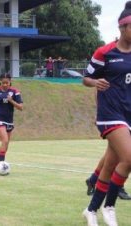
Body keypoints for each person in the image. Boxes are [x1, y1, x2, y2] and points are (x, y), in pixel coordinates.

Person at [82, 2, 131, 225]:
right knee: (129, 158)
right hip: (110, 114)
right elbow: (85, 78)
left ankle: (91, 210)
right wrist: (94, 82)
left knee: (111, 165)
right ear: (123, 28)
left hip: (128, 114)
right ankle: (109, 207)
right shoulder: (105, 52)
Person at [0, 73, 23, 163]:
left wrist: (11, 101)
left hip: (9, 121)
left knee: (6, 144)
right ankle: (1, 163)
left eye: (7, 83)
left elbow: (20, 107)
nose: (5, 85)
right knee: (5, 140)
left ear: (10, 82)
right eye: (3, 83)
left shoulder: (15, 92)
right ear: (0, 82)